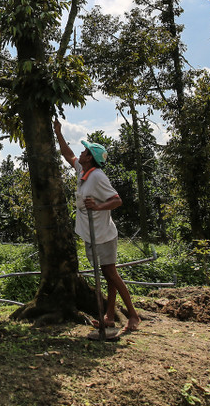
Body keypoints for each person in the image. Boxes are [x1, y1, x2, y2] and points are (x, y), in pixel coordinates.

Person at [54, 118, 141, 333]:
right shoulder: (82, 172)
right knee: (107, 274)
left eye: (85, 152)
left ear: (91, 158)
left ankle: (133, 315)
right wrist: (58, 133)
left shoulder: (98, 176)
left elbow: (117, 200)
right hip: (93, 234)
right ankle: (109, 316)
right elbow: (68, 154)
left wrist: (99, 206)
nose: (81, 153)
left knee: (111, 274)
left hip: (104, 235)